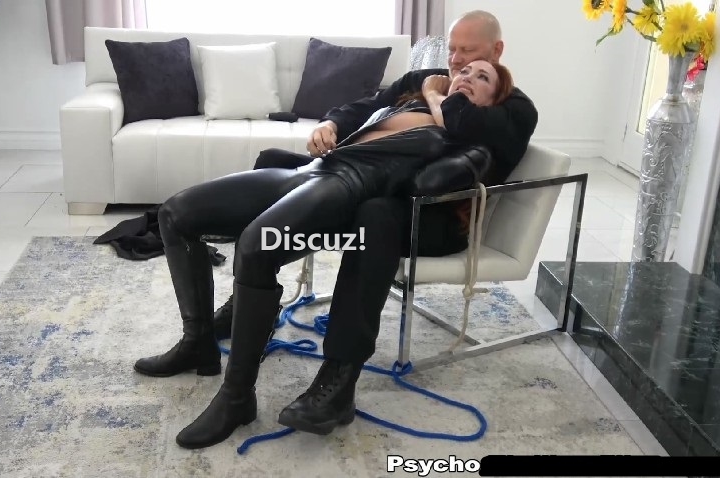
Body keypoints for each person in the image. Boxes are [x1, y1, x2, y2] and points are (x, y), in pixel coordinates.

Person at [137, 60, 514, 450]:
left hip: (345, 186)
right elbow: (355, 113)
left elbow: (429, 182)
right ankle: (198, 342)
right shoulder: (408, 106)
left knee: (256, 246)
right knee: (174, 214)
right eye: (464, 71)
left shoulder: (469, 141)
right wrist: (331, 127)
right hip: (310, 171)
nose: (467, 76)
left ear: (494, 101)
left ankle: (236, 398)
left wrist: (439, 97)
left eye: (482, 77)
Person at [214, 10, 540, 436]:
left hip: (433, 216)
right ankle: (248, 298)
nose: (457, 60)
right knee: (274, 162)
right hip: (369, 180)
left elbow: (463, 123)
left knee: (375, 215)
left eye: (469, 51)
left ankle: (338, 381)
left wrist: (436, 94)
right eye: (453, 50)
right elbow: (365, 106)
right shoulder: (421, 79)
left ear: (497, 50)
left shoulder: (513, 106)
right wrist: (331, 123)